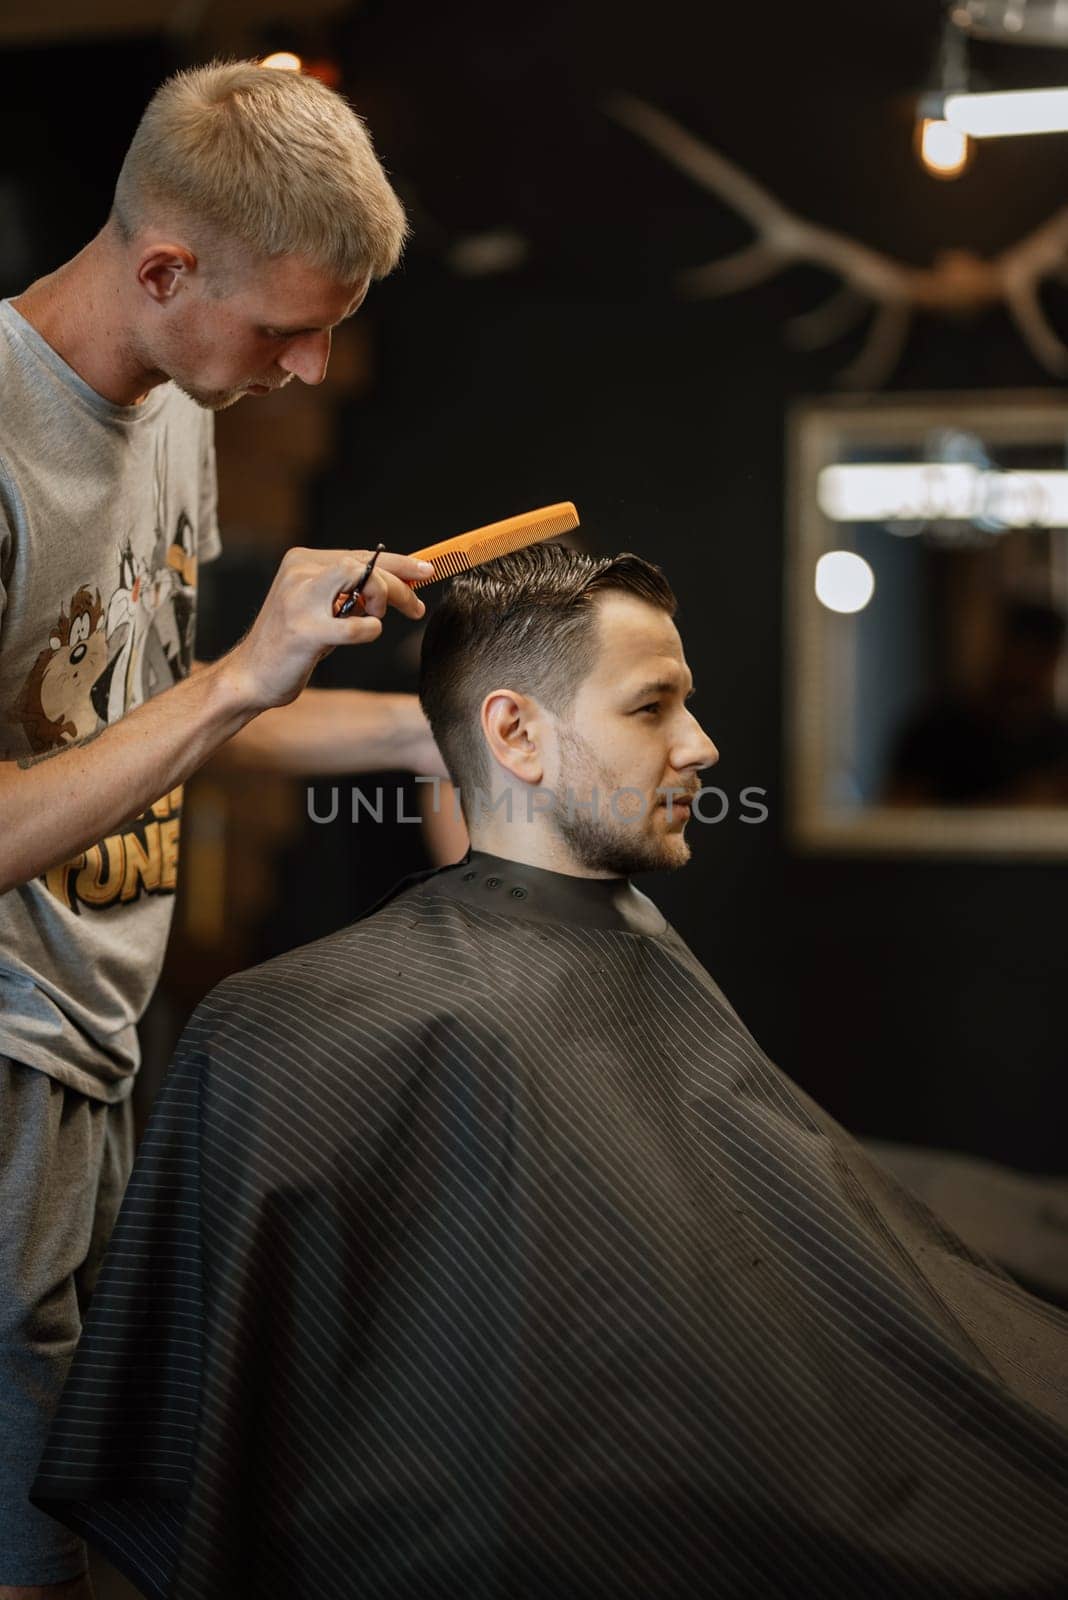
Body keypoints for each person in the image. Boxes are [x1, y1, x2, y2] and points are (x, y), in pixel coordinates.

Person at [31, 546, 1068, 1599]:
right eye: (653, 706)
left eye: (687, 703)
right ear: (517, 733)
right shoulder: (297, 1031)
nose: (703, 746)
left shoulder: (619, 934)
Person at [0, 59, 445, 1599]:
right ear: (165, 267)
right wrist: (250, 673)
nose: (312, 371)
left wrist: (416, 732)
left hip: (105, 1037)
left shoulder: (182, 406)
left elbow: (134, 727)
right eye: (287, 331)